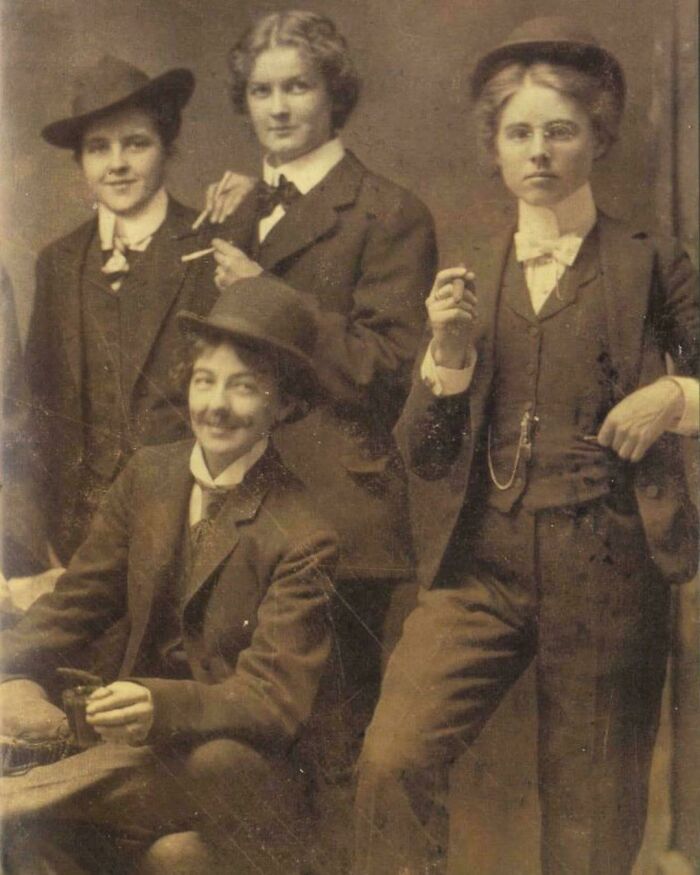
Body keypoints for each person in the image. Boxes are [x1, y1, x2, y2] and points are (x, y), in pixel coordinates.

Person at [354, 17, 699, 875]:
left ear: (598, 138)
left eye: (560, 130)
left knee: (588, 822)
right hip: (483, 566)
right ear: (495, 148)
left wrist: (677, 396)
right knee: (390, 762)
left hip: (608, 566)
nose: (538, 151)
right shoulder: (465, 263)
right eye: (518, 133)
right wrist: (450, 357)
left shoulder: (653, 261)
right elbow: (427, 457)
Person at [0, 275, 338, 875]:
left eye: (245, 388)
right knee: (153, 854)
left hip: (241, 766)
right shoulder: (149, 476)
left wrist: (161, 703)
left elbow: (273, 701)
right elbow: (78, 602)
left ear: (284, 406)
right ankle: (33, 812)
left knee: (214, 764)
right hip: (136, 759)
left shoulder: (305, 530)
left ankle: (19, 803)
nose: (216, 405)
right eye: (205, 380)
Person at [198, 9, 438, 805]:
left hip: (338, 520)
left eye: (297, 85)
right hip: (237, 517)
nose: (278, 106)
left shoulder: (387, 211)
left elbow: (385, 371)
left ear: (335, 93)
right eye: (262, 90)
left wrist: (267, 297)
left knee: (333, 757)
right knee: (240, 765)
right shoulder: (233, 210)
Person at [15, 55, 219, 580]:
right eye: (98, 148)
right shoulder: (59, 262)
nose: (117, 164)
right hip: (77, 529)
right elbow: (39, 401)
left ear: (168, 146)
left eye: (136, 143)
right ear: (80, 162)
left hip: (184, 521)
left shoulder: (210, 247)